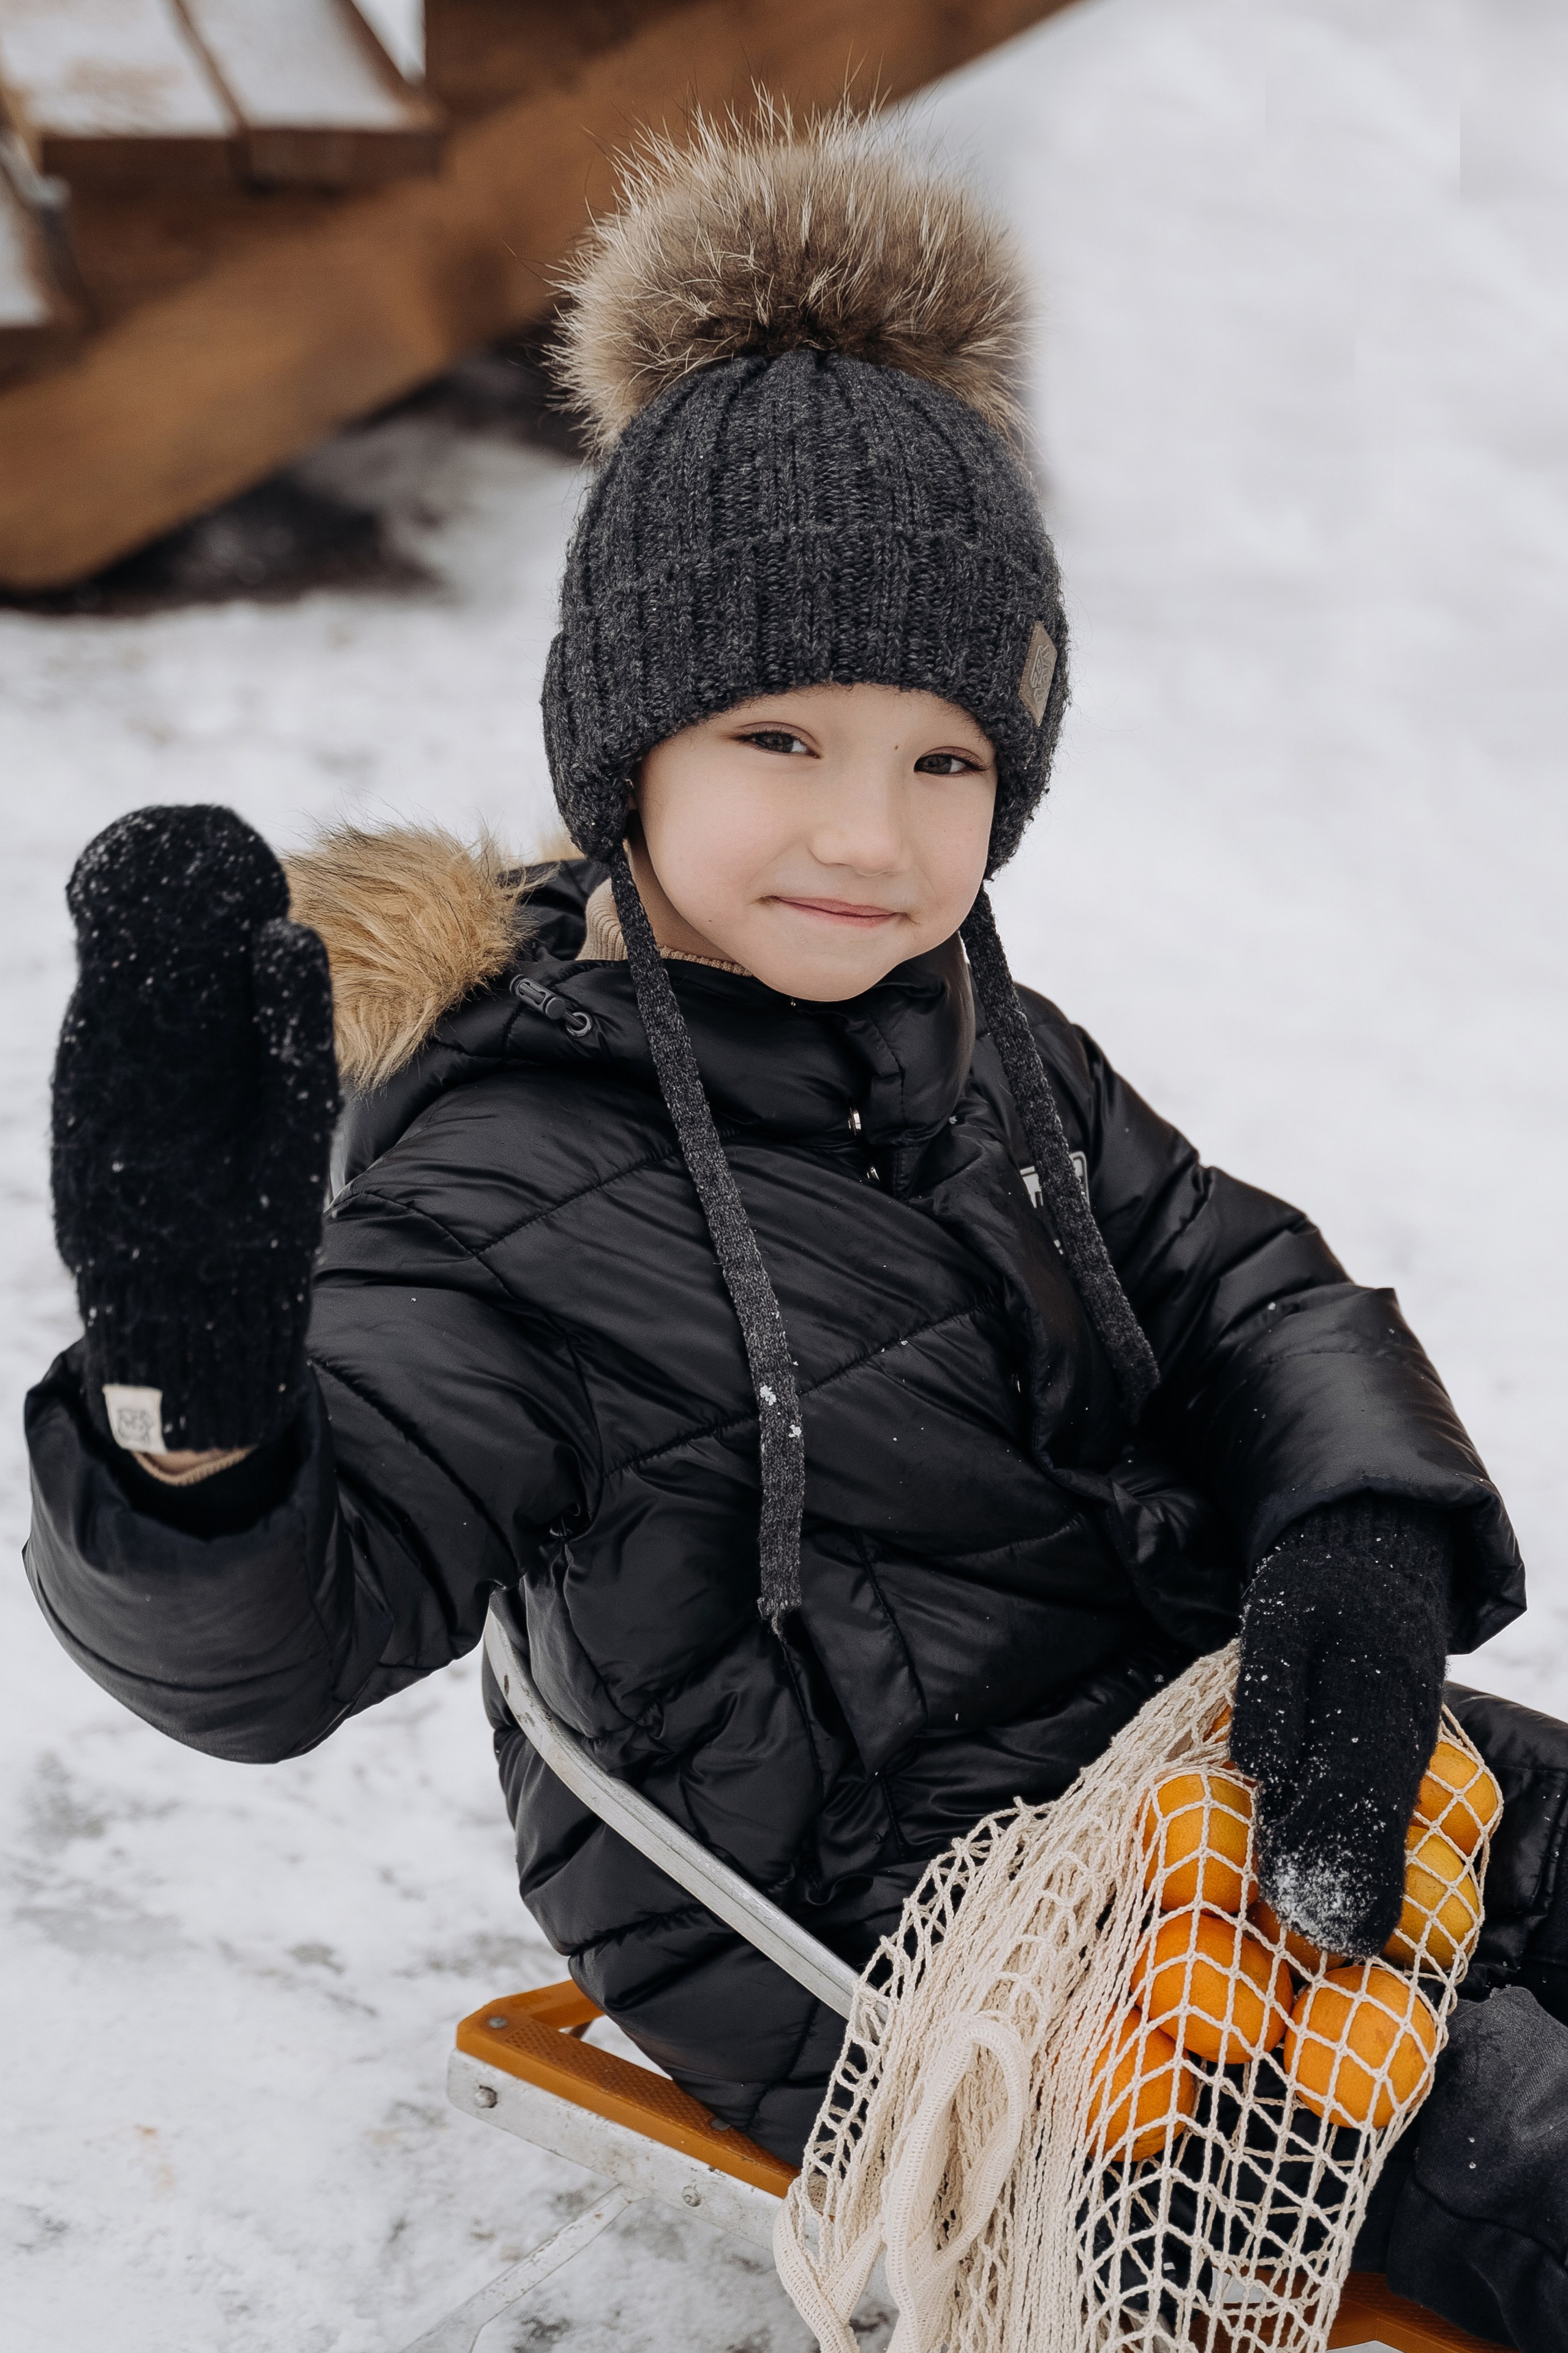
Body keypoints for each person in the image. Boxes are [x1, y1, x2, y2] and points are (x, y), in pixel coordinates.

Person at [23, 112, 1568, 2348]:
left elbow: (1240, 1271)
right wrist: (196, 1424)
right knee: (1496, 2131)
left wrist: (1353, 1545)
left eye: (947, 763)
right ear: (624, 750)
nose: (870, 833)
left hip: (1162, 1741)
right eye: (779, 735)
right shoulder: (501, 1182)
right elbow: (282, 1637)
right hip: (880, 1920)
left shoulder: (975, 1030)